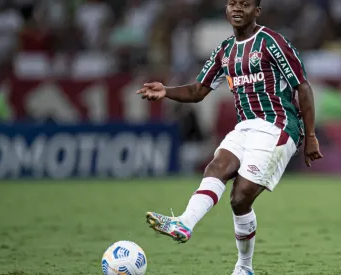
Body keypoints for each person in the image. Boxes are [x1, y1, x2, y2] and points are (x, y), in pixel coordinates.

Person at [135, 0, 323, 274]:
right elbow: (199, 90)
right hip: (245, 127)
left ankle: (244, 266)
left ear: (256, 11)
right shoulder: (225, 50)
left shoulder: (273, 42)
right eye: (232, 3)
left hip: (277, 126)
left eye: (244, 4)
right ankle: (184, 223)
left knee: (240, 198)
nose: (237, 9)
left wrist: (311, 135)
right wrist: (167, 90)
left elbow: (302, 86)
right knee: (216, 167)